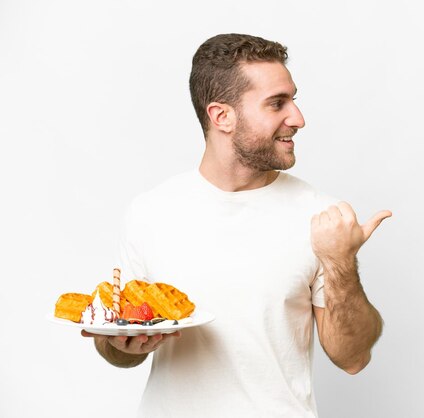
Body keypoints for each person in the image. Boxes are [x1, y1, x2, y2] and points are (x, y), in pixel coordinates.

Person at [82, 33, 391, 418]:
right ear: (221, 116)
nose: (297, 118)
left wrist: (341, 263)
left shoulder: (321, 216)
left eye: (293, 99)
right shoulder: (150, 212)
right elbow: (116, 347)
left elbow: (353, 358)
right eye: (277, 103)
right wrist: (122, 346)